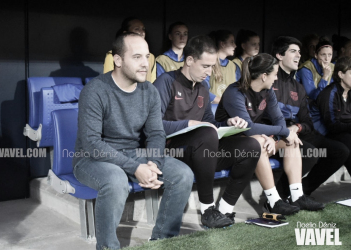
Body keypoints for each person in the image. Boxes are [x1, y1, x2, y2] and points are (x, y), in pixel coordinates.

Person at [73, 33, 194, 250]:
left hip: (131, 153)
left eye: (147, 57)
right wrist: (135, 167)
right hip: (91, 159)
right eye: (137, 57)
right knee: (116, 179)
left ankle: (163, 242)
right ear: (118, 60)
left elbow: (157, 133)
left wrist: (154, 163)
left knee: (183, 174)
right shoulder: (95, 91)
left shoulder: (149, 90)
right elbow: (91, 144)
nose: (145, 64)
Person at [154, 35, 261, 227]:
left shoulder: (202, 87)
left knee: (251, 146)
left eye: (212, 66)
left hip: (203, 153)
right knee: (205, 134)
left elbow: (209, 124)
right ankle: (207, 210)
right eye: (205, 66)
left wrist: (229, 123)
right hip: (172, 152)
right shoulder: (165, 82)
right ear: (189, 60)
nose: (210, 72)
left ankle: (225, 209)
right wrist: (189, 124)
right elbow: (154, 126)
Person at [216, 53, 324, 215]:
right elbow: (248, 128)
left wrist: (276, 137)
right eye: (274, 75)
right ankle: (274, 201)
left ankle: (297, 196)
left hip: (255, 139)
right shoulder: (235, 92)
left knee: (291, 142)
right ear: (263, 76)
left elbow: (279, 119)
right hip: (229, 145)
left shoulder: (268, 91)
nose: (276, 79)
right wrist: (283, 131)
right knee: (259, 141)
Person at [270, 36, 348, 202]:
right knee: (310, 153)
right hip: (277, 137)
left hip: (300, 132)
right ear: (279, 55)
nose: (298, 55)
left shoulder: (298, 87)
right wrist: (286, 130)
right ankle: (279, 197)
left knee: (340, 151)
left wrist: (298, 128)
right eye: (293, 51)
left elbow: (306, 121)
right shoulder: (269, 81)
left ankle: (303, 191)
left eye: (299, 52)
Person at [317, 56, 351, 178]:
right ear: (341, 74)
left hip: (346, 131)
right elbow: (332, 126)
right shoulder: (329, 93)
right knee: (347, 143)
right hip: (327, 135)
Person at [103, 17, 156, 83]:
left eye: (143, 29)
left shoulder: (151, 57)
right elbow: (108, 82)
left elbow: (153, 82)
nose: (142, 32)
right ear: (126, 33)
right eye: (137, 29)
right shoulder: (112, 56)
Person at [205, 30, 241, 104]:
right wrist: (223, 102)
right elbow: (203, 90)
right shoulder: (208, 64)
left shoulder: (234, 66)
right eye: (231, 42)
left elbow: (239, 90)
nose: (235, 45)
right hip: (213, 109)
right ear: (222, 44)